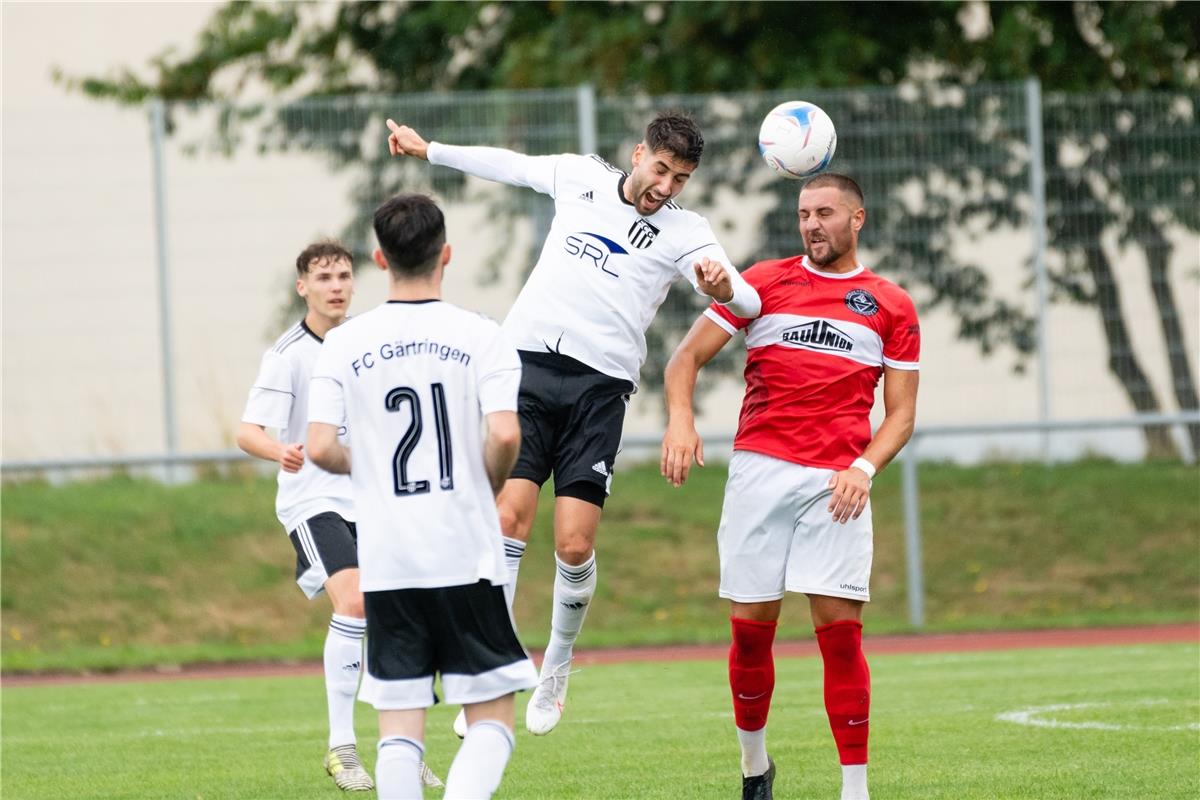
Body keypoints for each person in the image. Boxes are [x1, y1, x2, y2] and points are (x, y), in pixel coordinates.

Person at [385, 110, 763, 736]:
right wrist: (431, 152)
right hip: (527, 366)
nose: (666, 187)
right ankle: (496, 669)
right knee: (508, 517)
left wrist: (724, 287)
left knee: (574, 543)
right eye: (661, 170)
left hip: (599, 389)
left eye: (681, 178)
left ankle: (556, 665)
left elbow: (747, 301)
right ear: (639, 153)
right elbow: (507, 166)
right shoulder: (579, 177)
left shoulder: (685, 232)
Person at [661, 173, 920, 800]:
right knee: (751, 632)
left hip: (837, 484)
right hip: (759, 473)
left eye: (825, 213)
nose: (811, 224)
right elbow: (684, 360)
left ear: (857, 218)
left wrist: (862, 469)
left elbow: (902, 415)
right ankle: (755, 770)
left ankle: (853, 789)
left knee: (839, 634)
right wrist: (681, 420)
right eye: (804, 213)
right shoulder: (762, 284)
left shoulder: (889, 304)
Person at [306, 193, 538, 799]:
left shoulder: (343, 344)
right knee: (491, 717)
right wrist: (486, 479)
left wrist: (373, 468)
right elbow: (507, 432)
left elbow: (321, 446)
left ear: (380, 259)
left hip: (388, 561)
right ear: (447, 254)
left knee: (399, 729)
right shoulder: (480, 335)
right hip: (464, 552)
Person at [237, 242, 441, 792]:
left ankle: (402, 748)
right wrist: (278, 451)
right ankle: (342, 748)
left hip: (374, 497)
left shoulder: (366, 341)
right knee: (354, 602)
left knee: (400, 615)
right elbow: (247, 431)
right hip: (314, 499)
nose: (336, 285)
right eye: (323, 277)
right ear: (302, 286)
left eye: (344, 275)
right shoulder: (288, 354)